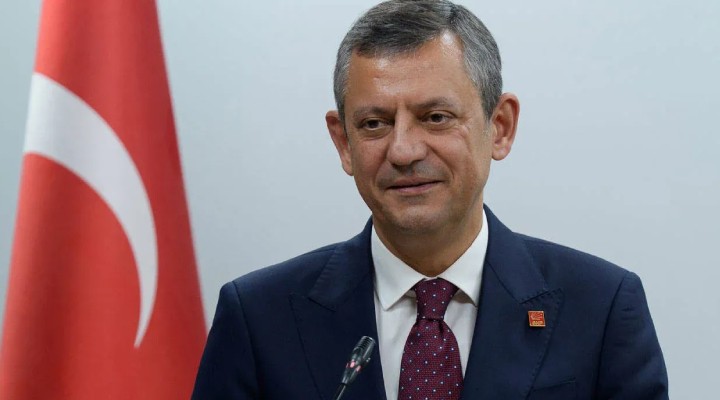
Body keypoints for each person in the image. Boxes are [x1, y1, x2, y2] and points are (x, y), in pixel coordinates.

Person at [192, 1, 669, 399]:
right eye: (374, 124)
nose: (403, 151)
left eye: (435, 117)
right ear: (343, 143)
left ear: (500, 127)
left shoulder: (601, 308)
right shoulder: (259, 318)